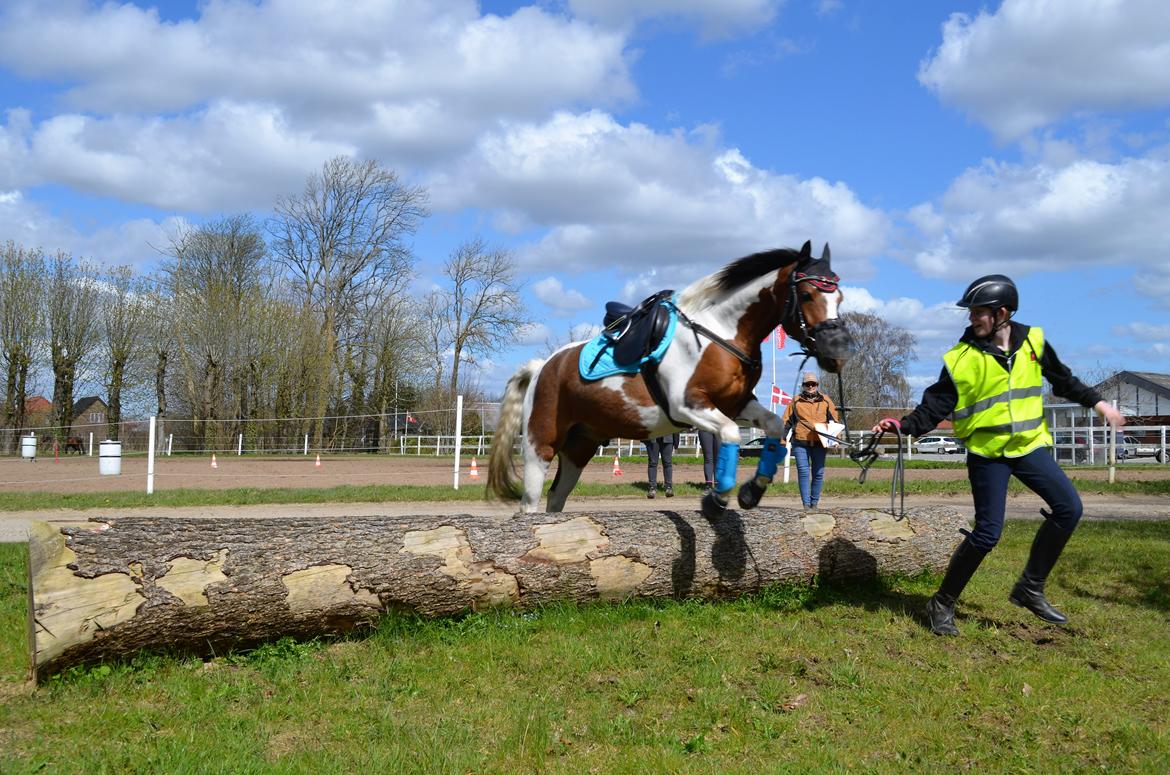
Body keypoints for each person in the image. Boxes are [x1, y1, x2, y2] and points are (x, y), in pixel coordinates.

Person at [873, 274, 1125, 636]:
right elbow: (936, 404)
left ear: (1002, 313)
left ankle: (1030, 587)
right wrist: (904, 426)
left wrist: (1099, 403)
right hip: (987, 454)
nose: (972, 319)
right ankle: (941, 602)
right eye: (971, 312)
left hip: (1029, 447)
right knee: (988, 535)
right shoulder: (960, 358)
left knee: (1070, 509)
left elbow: (1063, 379)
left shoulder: (1034, 342)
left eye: (978, 312)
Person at [782, 372, 839, 510]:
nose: (810, 386)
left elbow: (834, 421)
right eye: (808, 384)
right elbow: (786, 422)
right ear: (803, 386)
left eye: (813, 384)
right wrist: (782, 439)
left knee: (818, 473)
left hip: (820, 443)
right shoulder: (795, 401)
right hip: (800, 442)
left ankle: (814, 504)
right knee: (803, 471)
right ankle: (806, 505)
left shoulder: (826, 401)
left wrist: (835, 439)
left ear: (817, 385)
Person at [644, 433, 679, 498]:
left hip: (668, 437)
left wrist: (676, 439)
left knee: (667, 463)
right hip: (652, 438)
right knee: (652, 463)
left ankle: (668, 487)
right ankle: (652, 488)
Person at [696, 428, 721, 495]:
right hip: (704, 428)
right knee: (708, 458)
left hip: (718, 428)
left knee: (718, 459)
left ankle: (717, 485)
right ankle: (708, 485)